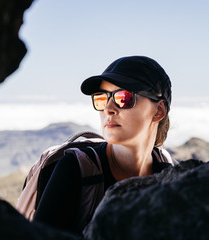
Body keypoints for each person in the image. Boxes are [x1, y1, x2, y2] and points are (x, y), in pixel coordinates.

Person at [32, 56, 176, 234]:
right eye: (101, 98)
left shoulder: (167, 173)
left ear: (158, 111)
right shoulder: (75, 170)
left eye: (124, 97)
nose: (108, 108)